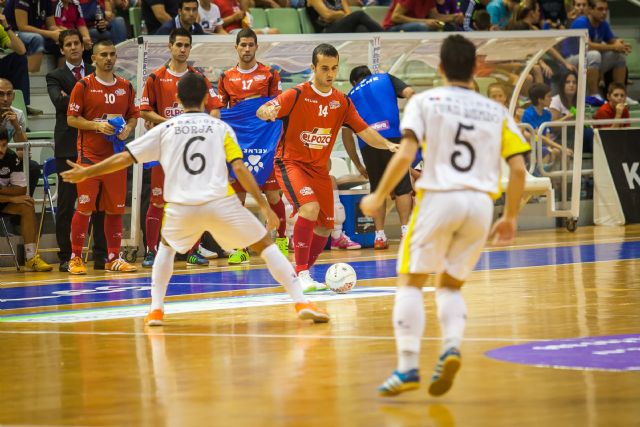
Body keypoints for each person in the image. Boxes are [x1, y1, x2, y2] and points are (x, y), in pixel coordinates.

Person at [61, 72, 330, 326]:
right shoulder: (219, 127)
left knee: (166, 249)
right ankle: (300, 302)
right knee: (266, 245)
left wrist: (89, 170)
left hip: (181, 207)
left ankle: (156, 309)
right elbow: (239, 168)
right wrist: (262, 205)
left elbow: (124, 158)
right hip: (220, 203)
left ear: (177, 100)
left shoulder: (167, 128)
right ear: (205, 100)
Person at [360, 34, 529, 398]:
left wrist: (376, 195)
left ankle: (407, 367)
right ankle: (451, 347)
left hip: (440, 198)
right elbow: (518, 170)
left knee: (411, 281)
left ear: (439, 68)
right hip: (481, 206)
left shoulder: (426, 101)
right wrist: (511, 216)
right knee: (450, 285)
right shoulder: (495, 111)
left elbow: (405, 155)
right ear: (476, 68)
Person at [256, 43, 398, 292]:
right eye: (324, 68)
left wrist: (388, 145)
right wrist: (267, 110)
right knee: (309, 209)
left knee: (325, 226)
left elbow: (364, 130)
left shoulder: (341, 101)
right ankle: (301, 274)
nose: (330, 74)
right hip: (291, 163)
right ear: (313, 68)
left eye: (334, 68)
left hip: (320, 170)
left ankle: (301, 275)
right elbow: (265, 109)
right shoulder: (296, 94)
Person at [140, 28, 223, 268]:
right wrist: (172, 124)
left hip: (192, 152)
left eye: (187, 45)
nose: (183, 49)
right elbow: (144, 111)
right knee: (157, 200)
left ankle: (192, 251)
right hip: (163, 150)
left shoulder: (198, 78)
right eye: (179, 45)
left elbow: (215, 107)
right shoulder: (155, 78)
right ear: (170, 46)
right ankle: (150, 251)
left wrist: (207, 126)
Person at [66, 39, 139, 274]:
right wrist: (97, 126)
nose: (109, 58)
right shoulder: (83, 86)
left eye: (112, 54)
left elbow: (133, 115)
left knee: (115, 210)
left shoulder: (126, 86)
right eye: (103, 54)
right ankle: (76, 257)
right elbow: (71, 119)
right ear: (93, 59)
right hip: (89, 158)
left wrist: (128, 128)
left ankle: (113, 258)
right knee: (84, 208)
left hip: (115, 159)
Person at [217, 28, 286, 264]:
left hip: (264, 142)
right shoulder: (225, 76)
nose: (246, 49)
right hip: (239, 141)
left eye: (250, 45)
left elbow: (277, 107)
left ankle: (282, 241)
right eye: (242, 45)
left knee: (273, 194)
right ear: (235, 47)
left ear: (257, 47)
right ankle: (240, 247)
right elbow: (221, 112)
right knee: (238, 198)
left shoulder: (270, 74)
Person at [46, 29, 107, 272]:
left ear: (83, 47)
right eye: (68, 44)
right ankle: (66, 255)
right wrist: (90, 99)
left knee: (99, 202)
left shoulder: (97, 71)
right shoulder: (54, 75)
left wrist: (74, 100)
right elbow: (59, 103)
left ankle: (101, 255)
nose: (73, 47)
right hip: (68, 146)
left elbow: (70, 102)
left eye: (76, 43)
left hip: (95, 145)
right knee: (67, 203)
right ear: (61, 50)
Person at [343, 65, 415, 250]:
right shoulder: (384, 78)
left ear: (353, 82)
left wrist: (357, 163)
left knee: (377, 190)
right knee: (402, 188)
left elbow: (346, 134)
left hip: (369, 143)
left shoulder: (350, 95)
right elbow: (410, 92)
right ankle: (406, 232)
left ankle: (380, 236)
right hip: (393, 138)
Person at [0, 125, 52, 271]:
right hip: (7, 200)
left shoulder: (11, 157)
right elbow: (15, 193)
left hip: (3, 202)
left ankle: (30, 258)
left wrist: (5, 193)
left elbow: (21, 189)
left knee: (27, 205)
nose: (1, 150)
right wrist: (11, 198)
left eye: (4, 145)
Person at [563, 0, 632, 106]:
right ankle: (593, 95)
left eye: (605, 9)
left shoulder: (603, 24)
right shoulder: (581, 22)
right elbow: (587, 46)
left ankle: (620, 94)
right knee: (594, 54)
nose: (604, 12)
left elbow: (612, 40)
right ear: (590, 10)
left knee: (619, 56)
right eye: (600, 9)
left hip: (589, 60)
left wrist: (620, 44)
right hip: (570, 60)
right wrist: (614, 46)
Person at [3, 0, 62, 73]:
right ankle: (30, 77)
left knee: (64, 40)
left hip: (33, 32)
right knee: (36, 39)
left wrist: (61, 33)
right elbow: (22, 27)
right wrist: (51, 34)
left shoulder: (47, 1)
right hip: (12, 32)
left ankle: (61, 80)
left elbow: (51, 25)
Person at [521, 83, 572, 165]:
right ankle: (539, 174)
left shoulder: (547, 114)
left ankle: (560, 177)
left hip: (543, 144)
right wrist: (562, 148)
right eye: (548, 96)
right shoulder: (528, 114)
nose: (551, 99)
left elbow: (547, 132)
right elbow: (540, 137)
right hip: (531, 146)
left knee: (560, 153)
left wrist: (553, 148)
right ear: (540, 99)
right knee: (548, 152)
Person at [305, 0, 384, 33]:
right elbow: (327, 15)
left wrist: (336, 15)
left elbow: (349, 14)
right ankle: (386, 35)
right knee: (359, 14)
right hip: (325, 31)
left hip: (340, 26)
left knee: (361, 28)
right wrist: (342, 13)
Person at [383, 0, 462, 32]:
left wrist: (454, 17)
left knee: (449, 26)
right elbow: (395, 17)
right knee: (422, 26)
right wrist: (425, 21)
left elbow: (435, 16)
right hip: (392, 28)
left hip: (417, 24)